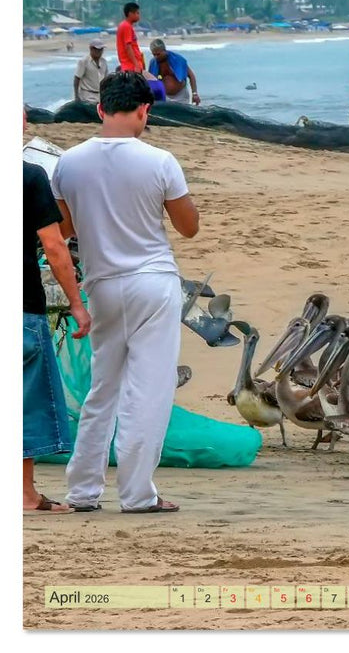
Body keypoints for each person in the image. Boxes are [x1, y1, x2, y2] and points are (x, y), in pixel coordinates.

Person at [51, 72, 200, 513]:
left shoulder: (69, 162)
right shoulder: (159, 160)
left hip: (101, 283)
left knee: (103, 389)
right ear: (144, 110)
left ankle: (82, 490)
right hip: (152, 280)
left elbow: (64, 229)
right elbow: (188, 227)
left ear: (100, 109)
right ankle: (137, 493)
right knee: (148, 390)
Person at [23, 112, 92, 514]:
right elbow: (54, 246)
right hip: (20, 307)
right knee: (26, 402)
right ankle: (25, 494)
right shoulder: (30, 176)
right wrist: (78, 305)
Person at [148, 39, 201, 104]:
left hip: (181, 96)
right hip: (164, 96)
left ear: (164, 50)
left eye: (158, 54)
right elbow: (151, 82)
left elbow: (191, 75)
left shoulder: (178, 60)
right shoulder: (153, 63)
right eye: (154, 55)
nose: (156, 57)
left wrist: (194, 93)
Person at [73, 39, 108, 104]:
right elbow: (77, 78)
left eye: (101, 50)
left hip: (100, 95)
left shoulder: (104, 62)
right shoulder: (84, 61)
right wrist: (76, 96)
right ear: (91, 49)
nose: (99, 52)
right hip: (87, 96)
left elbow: (106, 79)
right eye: (97, 49)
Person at [116, 2, 146, 74]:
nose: (139, 15)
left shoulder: (126, 25)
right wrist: (136, 64)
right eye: (137, 13)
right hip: (130, 66)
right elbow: (128, 47)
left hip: (130, 65)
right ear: (130, 14)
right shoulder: (126, 26)